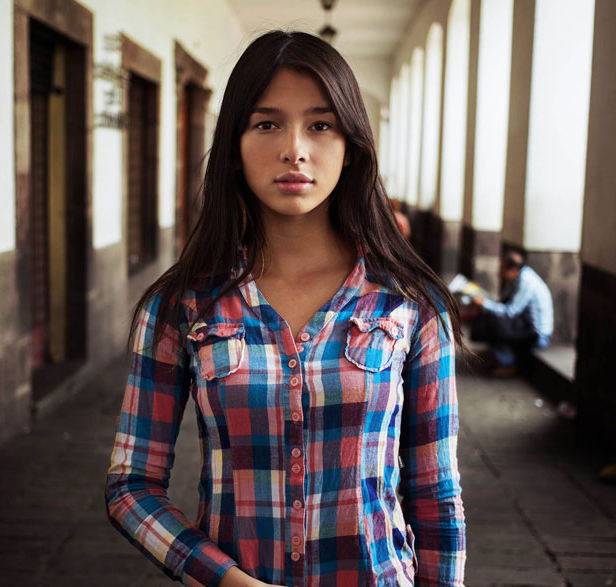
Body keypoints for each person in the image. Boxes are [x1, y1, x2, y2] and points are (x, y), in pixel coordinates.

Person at [105, 30, 466, 587]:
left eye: (320, 125)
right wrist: (224, 578)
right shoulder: (181, 306)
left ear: (350, 147)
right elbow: (131, 487)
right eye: (267, 123)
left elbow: (436, 494)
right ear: (235, 144)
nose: (294, 149)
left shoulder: (410, 304)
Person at [470, 246, 554, 377]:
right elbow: (502, 303)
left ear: (513, 270)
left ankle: (508, 364)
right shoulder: (518, 277)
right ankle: (503, 359)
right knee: (489, 316)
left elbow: (510, 312)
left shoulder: (526, 283)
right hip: (525, 325)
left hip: (537, 334)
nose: (499, 273)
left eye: (502, 270)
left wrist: (484, 303)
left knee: (493, 324)